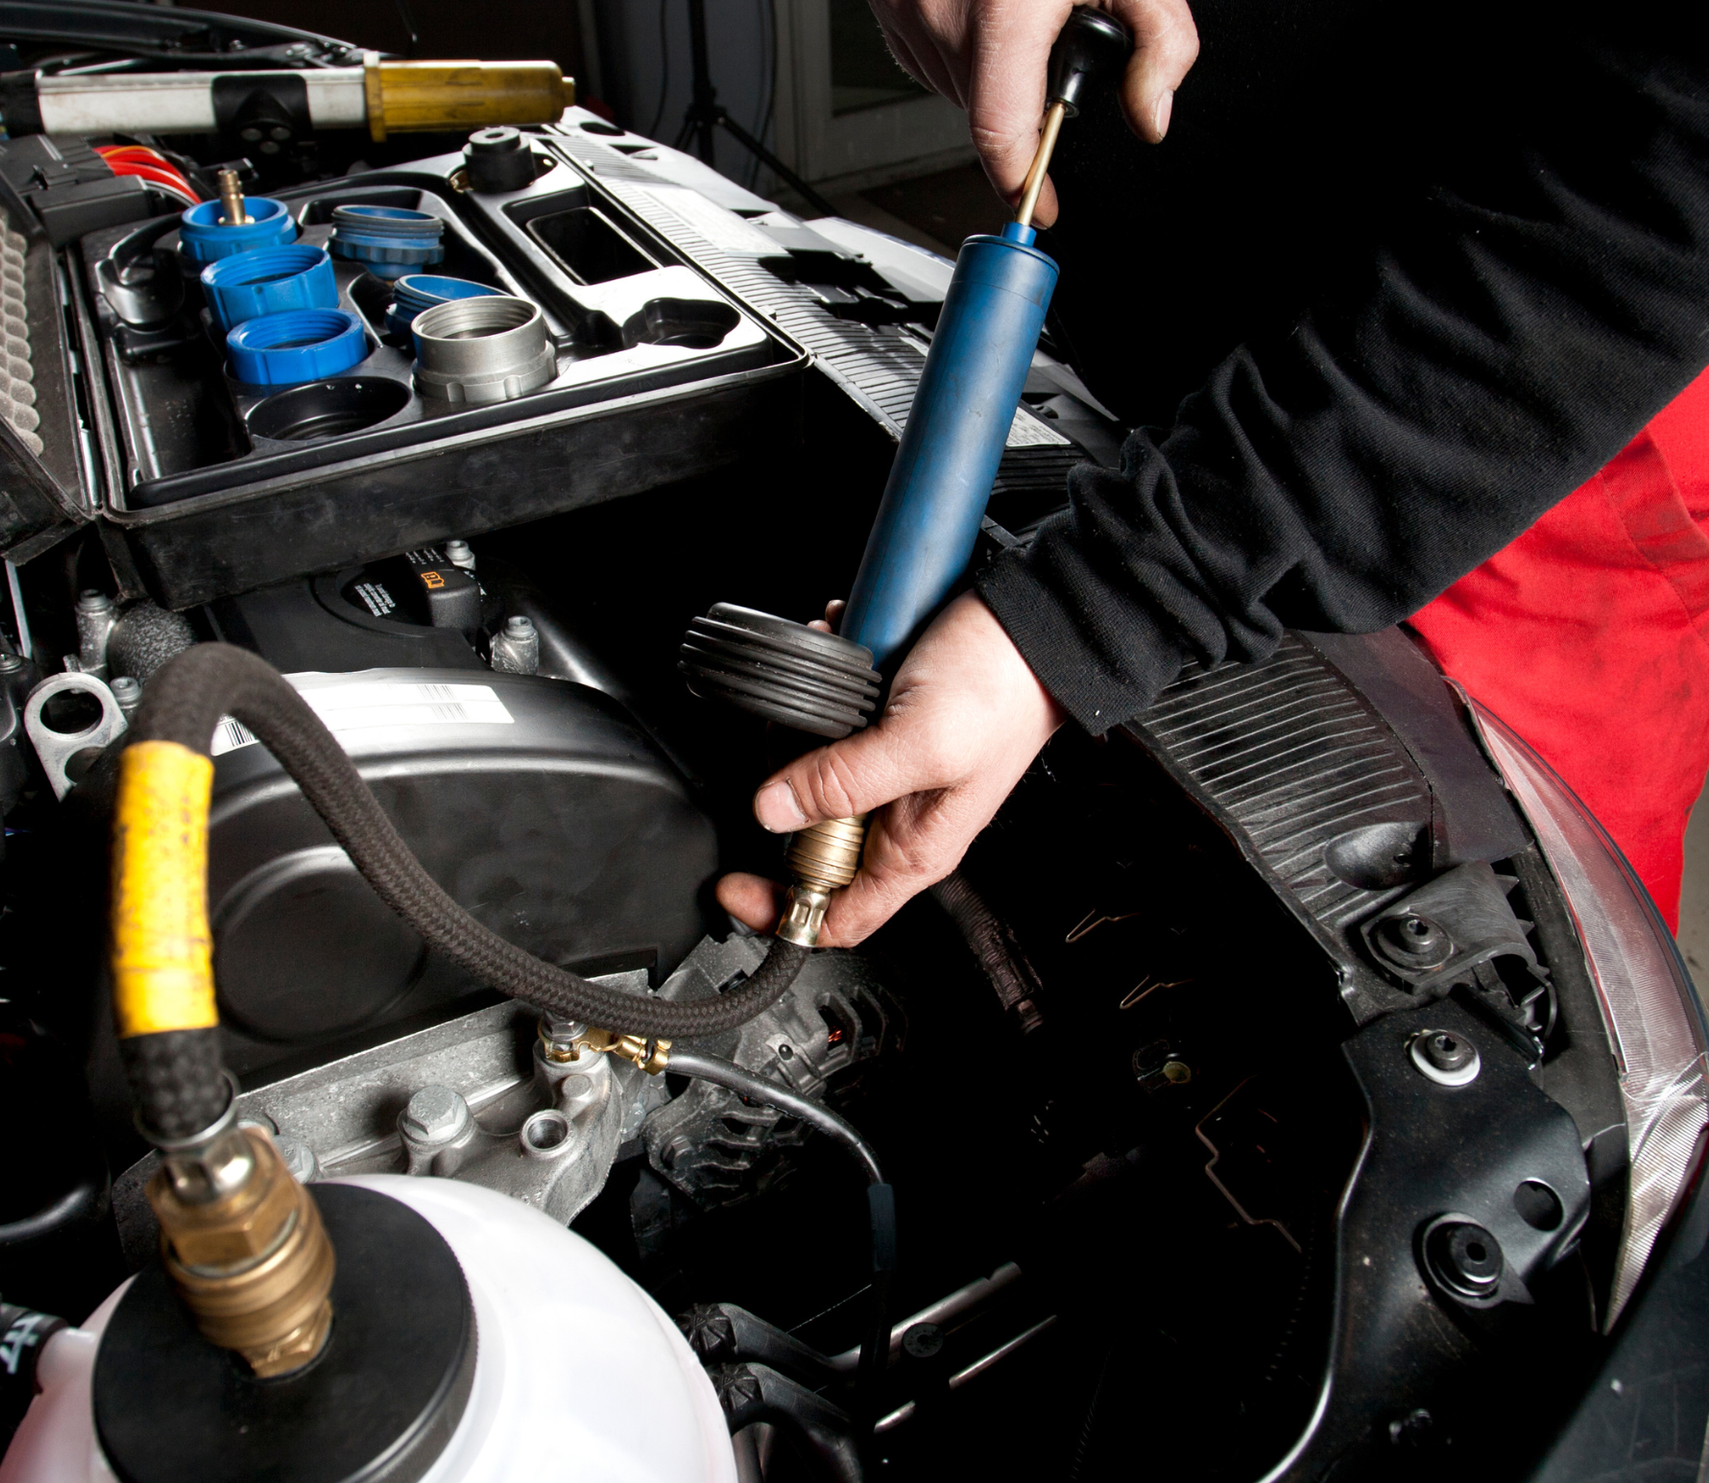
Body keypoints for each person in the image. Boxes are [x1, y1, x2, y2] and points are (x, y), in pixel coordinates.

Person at [717, 0, 1709, 942]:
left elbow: (1659, 194)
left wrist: (1096, 605)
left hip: (1485, 417)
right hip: (1172, 365)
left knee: (1511, 960)